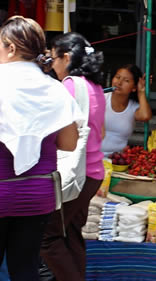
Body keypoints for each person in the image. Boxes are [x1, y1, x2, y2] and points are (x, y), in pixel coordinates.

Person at [0, 16, 81, 281]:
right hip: (38, 194)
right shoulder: (54, 89)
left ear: (11, 48)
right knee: (25, 269)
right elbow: (69, 143)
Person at [40, 32, 106, 281]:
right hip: (92, 172)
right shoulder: (96, 86)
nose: (51, 64)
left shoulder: (70, 85)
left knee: (47, 238)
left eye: (52, 58)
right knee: (71, 233)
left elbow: (57, 129)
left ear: (65, 57)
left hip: (75, 174)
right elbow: (100, 130)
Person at [101, 64, 152, 156]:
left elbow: (145, 116)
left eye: (126, 81)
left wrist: (141, 92)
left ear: (134, 88)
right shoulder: (100, 99)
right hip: (92, 157)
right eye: (117, 77)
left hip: (118, 160)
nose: (119, 83)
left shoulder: (133, 107)